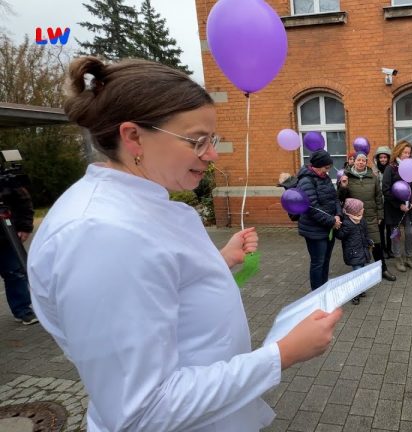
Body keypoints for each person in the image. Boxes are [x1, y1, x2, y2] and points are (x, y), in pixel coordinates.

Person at [27, 57, 342, 431]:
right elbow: (141, 411)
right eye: (197, 141)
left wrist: (219, 261)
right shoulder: (100, 233)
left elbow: (158, 285)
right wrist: (282, 355)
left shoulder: (141, 206)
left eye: (213, 140)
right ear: (133, 136)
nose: (210, 155)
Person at [338, 152, 396, 282]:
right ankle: (360, 275)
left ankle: (383, 270)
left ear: (366, 162)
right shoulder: (346, 177)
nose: (360, 162)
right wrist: (343, 185)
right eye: (358, 160)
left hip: (370, 216)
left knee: (376, 244)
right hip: (354, 219)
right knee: (358, 246)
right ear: (354, 161)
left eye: (363, 161)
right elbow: (341, 198)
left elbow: (378, 197)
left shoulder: (373, 177)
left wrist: (380, 214)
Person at [297, 149, 343, 290]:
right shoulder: (306, 181)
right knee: (318, 262)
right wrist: (332, 221)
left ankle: (324, 288)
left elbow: (335, 198)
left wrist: (338, 215)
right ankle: (317, 293)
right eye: (326, 168)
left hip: (328, 227)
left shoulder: (325, 178)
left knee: (326, 261)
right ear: (316, 166)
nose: (327, 171)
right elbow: (312, 208)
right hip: (314, 230)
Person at [0, 181, 37, 325]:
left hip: (5, 237)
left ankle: (22, 310)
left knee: (15, 273)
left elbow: (24, 202)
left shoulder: (6, 182)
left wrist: (25, 227)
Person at [382, 140, 412, 272]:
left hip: (409, 208)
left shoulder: (411, 167)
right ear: (398, 151)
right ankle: (398, 259)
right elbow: (386, 190)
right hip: (394, 208)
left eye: (409, 153)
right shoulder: (390, 168)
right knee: (396, 235)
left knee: (410, 233)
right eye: (404, 152)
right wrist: (399, 205)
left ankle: (408, 258)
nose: (407, 155)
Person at [336, 198, 372, 304]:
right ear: (354, 211)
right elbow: (341, 236)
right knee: (357, 273)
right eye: (361, 208)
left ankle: (360, 290)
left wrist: (369, 241)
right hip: (353, 252)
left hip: (362, 249)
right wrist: (337, 228)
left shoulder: (362, 220)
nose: (363, 209)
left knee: (361, 271)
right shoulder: (347, 223)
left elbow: (365, 233)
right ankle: (354, 294)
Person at [373, 146, 394, 257]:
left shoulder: (391, 169)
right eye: (381, 157)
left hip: (389, 202)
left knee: (389, 227)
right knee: (380, 227)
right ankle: (382, 249)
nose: (383, 160)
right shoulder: (374, 171)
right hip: (378, 203)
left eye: (385, 157)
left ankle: (390, 248)